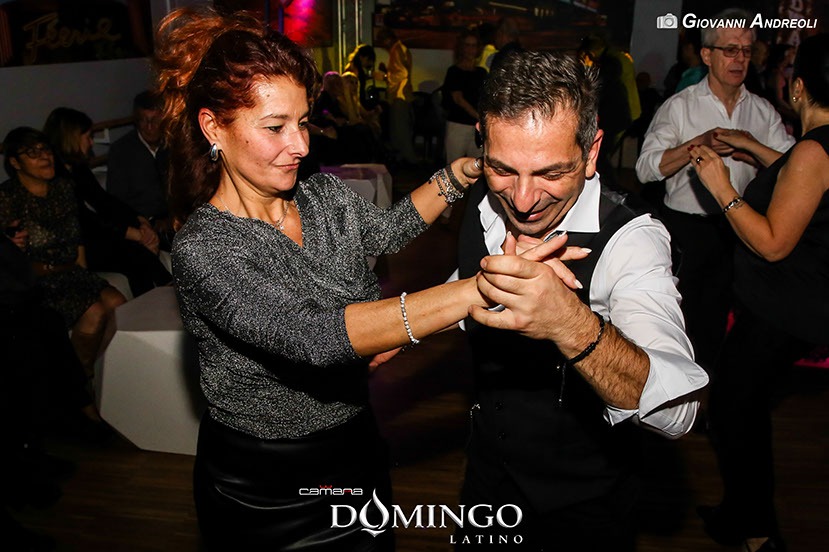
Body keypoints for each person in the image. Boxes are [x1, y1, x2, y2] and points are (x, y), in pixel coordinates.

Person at [152, 7, 578, 550]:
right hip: (264, 485)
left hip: (353, 446)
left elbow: (389, 230)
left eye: (303, 122)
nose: (301, 145)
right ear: (214, 127)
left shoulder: (321, 196)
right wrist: (481, 287)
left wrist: (459, 173)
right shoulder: (206, 247)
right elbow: (316, 336)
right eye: (276, 127)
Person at [450, 49, 708, 550]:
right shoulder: (485, 197)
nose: (522, 199)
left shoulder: (632, 240)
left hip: (581, 506)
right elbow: (468, 281)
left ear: (591, 153)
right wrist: (411, 326)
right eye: (503, 169)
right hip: (487, 479)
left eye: (550, 174)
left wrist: (569, 322)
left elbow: (678, 411)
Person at [689, 33, 829, 552]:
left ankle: (759, 535)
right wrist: (751, 146)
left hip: (781, 312)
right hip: (796, 307)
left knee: (734, 416)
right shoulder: (816, 151)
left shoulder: (813, 151)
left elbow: (771, 243)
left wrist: (721, 186)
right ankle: (737, 516)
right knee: (740, 409)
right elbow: (801, 181)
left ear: (798, 88)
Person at [635, 8, 795, 372]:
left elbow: (794, 168)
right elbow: (646, 169)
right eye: (730, 50)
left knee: (719, 321)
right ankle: (671, 387)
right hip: (686, 229)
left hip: (738, 229)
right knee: (678, 318)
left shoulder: (762, 111)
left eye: (746, 51)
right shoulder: (680, 107)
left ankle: (707, 390)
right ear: (707, 55)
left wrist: (754, 150)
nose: (740, 59)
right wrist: (698, 144)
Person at [0, 128, 126, 378]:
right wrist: (11, 242)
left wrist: (85, 273)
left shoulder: (63, 188)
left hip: (70, 272)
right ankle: (79, 379)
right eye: (33, 153)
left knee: (119, 305)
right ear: (15, 162)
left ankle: (98, 371)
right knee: (95, 312)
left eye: (46, 149)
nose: (44, 157)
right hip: (38, 280)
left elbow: (76, 236)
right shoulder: (7, 197)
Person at [43, 107, 172, 296]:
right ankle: (165, 294)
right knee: (134, 252)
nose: (91, 142)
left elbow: (104, 201)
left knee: (136, 253)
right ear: (71, 138)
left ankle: (163, 294)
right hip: (74, 245)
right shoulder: (56, 178)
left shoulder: (78, 169)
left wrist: (139, 220)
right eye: (87, 137)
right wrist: (133, 234)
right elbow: (85, 219)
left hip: (93, 235)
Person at [106, 90, 172, 242]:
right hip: (142, 225)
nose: (149, 127)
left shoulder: (173, 146)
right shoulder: (121, 151)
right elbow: (117, 201)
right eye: (143, 120)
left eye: (155, 121)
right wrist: (146, 222)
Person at [376, 26, 418, 164]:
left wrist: (384, 77)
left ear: (387, 40)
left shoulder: (397, 50)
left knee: (401, 131)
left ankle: (410, 160)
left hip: (400, 95)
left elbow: (401, 74)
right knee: (399, 129)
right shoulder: (400, 49)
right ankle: (404, 159)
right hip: (401, 95)